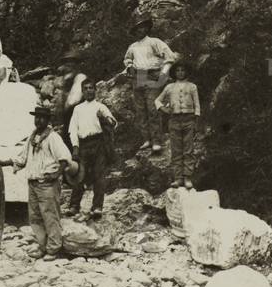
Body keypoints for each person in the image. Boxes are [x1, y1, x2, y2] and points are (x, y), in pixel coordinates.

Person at [0, 104, 72, 260]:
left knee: (50, 215)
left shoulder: (53, 137)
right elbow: (22, 159)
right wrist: (4, 162)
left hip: (47, 183)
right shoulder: (32, 137)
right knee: (35, 217)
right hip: (33, 183)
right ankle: (43, 246)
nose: (39, 120)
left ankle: (54, 249)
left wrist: (56, 174)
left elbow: (64, 158)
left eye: (42, 117)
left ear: (48, 120)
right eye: (37, 117)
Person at [123, 14, 177, 154]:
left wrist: (164, 73)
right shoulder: (132, 46)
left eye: (142, 27)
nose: (140, 31)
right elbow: (128, 59)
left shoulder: (155, 42)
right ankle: (146, 139)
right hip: (138, 77)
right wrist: (129, 66)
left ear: (147, 28)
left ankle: (157, 141)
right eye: (137, 29)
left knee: (153, 108)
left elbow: (170, 57)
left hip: (153, 75)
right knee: (141, 110)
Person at [67, 80, 118, 220]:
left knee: (98, 175)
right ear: (82, 92)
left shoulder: (100, 106)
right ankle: (74, 206)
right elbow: (72, 129)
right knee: (80, 175)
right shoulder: (77, 109)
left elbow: (114, 123)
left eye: (91, 88)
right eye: (86, 88)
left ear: (95, 90)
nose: (89, 90)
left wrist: (105, 118)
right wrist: (75, 147)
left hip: (98, 143)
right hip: (83, 144)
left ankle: (97, 207)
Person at [155, 60, 201, 190]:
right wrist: (164, 109)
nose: (180, 73)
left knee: (188, 149)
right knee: (176, 150)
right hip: (174, 121)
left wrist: (196, 119)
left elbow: (197, 104)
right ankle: (178, 178)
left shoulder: (192, 86)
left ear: (186, 72)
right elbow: (157, 101)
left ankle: (187, 177)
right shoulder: (169, 87)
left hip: (189, 119)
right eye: (178, 71)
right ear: (174, 73)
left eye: (183, 70)